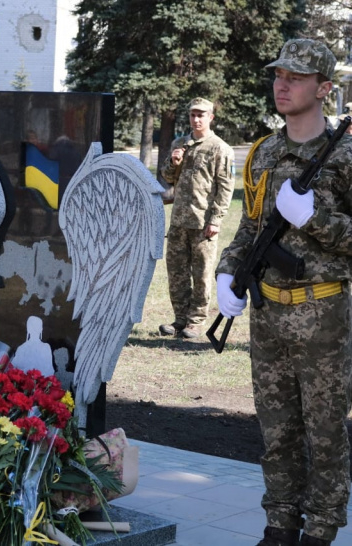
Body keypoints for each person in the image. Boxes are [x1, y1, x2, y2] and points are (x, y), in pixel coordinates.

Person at [216, 39, 352, 546]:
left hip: (325, 311)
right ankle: (280, 525)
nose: (283, 83)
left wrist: (318, 220)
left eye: (295, 77)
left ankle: (319, 529)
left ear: (324, 88)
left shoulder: (346, 154)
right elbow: (251, 228)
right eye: (279, 74)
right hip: (269, 311)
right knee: (277, 430)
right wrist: (227, 273)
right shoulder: (265, 152)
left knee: (325, 432)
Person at [159, 98, 235, 338]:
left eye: (201, 115)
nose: (196, 119)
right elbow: (168, 177)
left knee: (201, 274)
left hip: (203, 222)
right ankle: (180, 319)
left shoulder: (219, 148)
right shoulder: (180, 144)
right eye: (193, 115)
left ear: (211, 117)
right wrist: (174, 161)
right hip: (179, 221)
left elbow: (226, 187)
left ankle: (196, 321)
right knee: (177, 273)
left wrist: (216, 220)